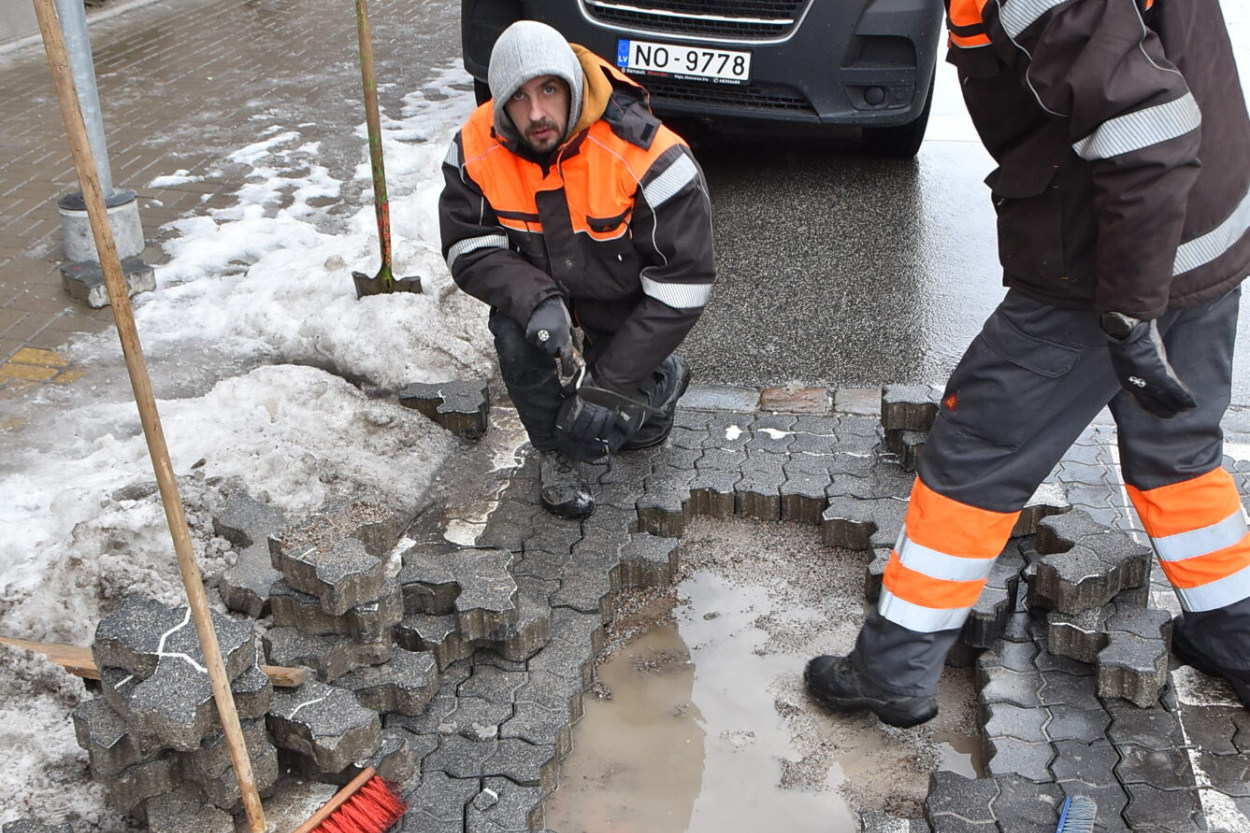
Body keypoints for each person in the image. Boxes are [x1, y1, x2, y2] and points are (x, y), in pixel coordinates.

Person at [807, 0, 1250, 727]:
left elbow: (1147, 127)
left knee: (975, 447)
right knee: (1177, 450)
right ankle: (1236, 632)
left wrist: (1131, 312)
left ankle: (893, 667)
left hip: (1114, 251)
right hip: (1200, 227)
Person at [439, 20, 715, 520]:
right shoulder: (475, 147)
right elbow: (467, 246)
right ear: (499, 103)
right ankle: (554, 452)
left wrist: (608, 387)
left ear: (572, 83)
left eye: (548, 89)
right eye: (518, 98)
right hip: (543, 298)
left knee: (628, 431)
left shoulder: (651, 156)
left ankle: (660, 379)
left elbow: (684, 283)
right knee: (515, 335)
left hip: (622, 301)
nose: (537, 112)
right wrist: (534, 299)